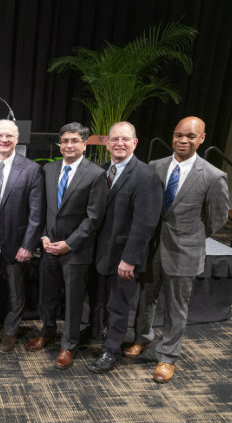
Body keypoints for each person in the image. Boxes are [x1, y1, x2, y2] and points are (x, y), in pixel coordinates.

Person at [124, 116, 229, 383]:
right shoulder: (154, 167)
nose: (183, 140)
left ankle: (168, 357)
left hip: (185, 252)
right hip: (152, 248)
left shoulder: (214, 176)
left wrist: (192, 236)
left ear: (202, 139)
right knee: (145, 298)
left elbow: (217, 219)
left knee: (176, 307)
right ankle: (143, 338)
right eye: (179, 135)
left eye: (191, 136)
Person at [28, 122, 107, 369]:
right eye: (65, 141)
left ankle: (68, 345)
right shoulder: (49, 170)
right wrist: (42, 237)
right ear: (59, 144)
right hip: (49, 246)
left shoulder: (95, 175)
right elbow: (41, 209)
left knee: (73, 302)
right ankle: (48, 331)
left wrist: (69, 244)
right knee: (47, 296)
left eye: (74, 140)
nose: (69, 145)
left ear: (84, 144)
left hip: (76, 251)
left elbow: (94, 217)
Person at [87, 122, 163, 373]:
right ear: (107, 143)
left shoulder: (145, 175)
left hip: (123, 257)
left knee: (118, 306)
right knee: (101, 302)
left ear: (135, 143)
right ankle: (99, 337)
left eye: (125, 139)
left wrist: (130, 258)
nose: (119, 143)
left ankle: (111, 351)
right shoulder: (101, 171)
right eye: (115, 139)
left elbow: (145, 223)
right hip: (99, 253)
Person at [0, 119, 44, 353]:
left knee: (15, 291)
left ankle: (10, 331)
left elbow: (36, 214)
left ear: (17, 140)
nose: (4, 140)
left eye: (9, 136)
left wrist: (28, 245)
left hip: (15, 243)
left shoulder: (30, 169)